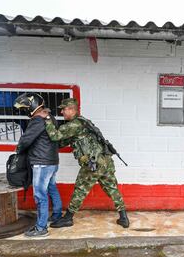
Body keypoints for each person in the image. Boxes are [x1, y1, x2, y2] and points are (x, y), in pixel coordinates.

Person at [39, 98, 129, 229]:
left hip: (93, 164)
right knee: (112, 188)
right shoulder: (83, 122)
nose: (62, 112)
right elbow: (67, 140)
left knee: (80, 189)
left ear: (71, 110)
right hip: (105, 161)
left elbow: (55, 136)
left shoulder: (74, 125)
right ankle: (123, 217)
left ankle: (68, 218)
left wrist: (47, 118)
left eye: (64, 109)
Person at [14, 92, 62, 237]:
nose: (24, 111)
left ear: (32, 106)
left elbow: (26, 140)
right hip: (52, 161)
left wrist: (18, 150)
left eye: (24, 109)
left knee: (40, 194)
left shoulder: (37, 121)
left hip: (41, 163)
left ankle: (41, 228)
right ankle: (57, 215)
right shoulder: (49, 117)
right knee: (52, 187)